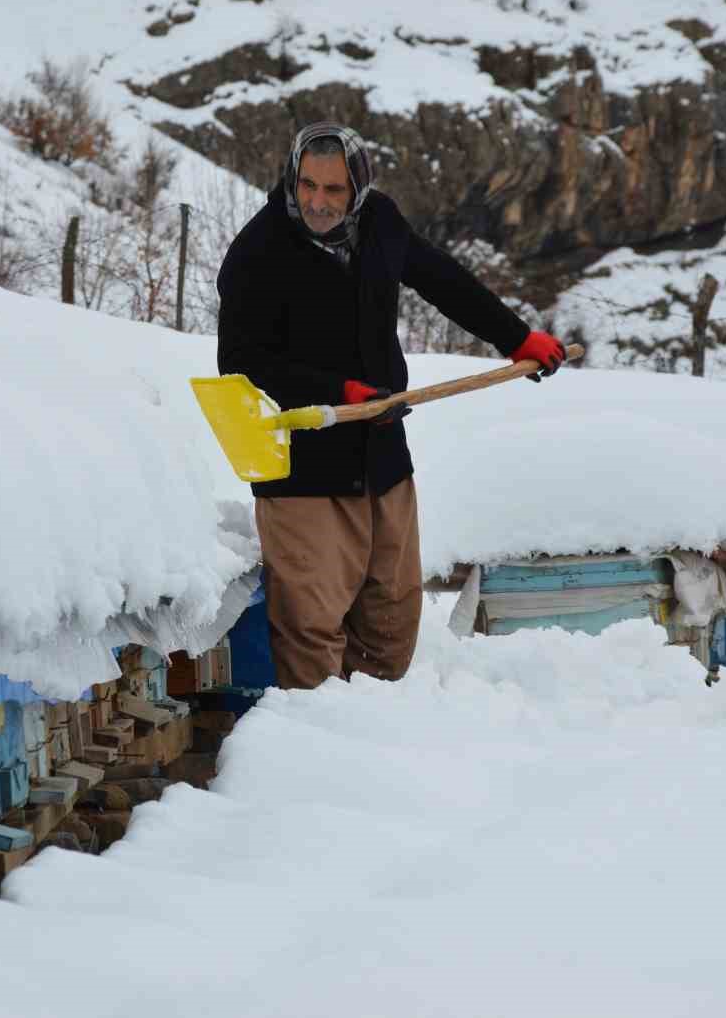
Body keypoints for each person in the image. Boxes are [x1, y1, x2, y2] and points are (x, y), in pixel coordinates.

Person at [216, 121, 566, 691]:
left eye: (334, 189)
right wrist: (340, 392)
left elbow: (441, 279)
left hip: (382, 460)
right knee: (311, 626)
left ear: (357, 187)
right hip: (304, 472)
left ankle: (377, 725)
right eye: (307, 185)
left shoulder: (380, 220)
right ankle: (314, 736)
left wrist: (516, 338)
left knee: (391, 620)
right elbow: (240, 365)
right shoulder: (258, 253)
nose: (318, 202)